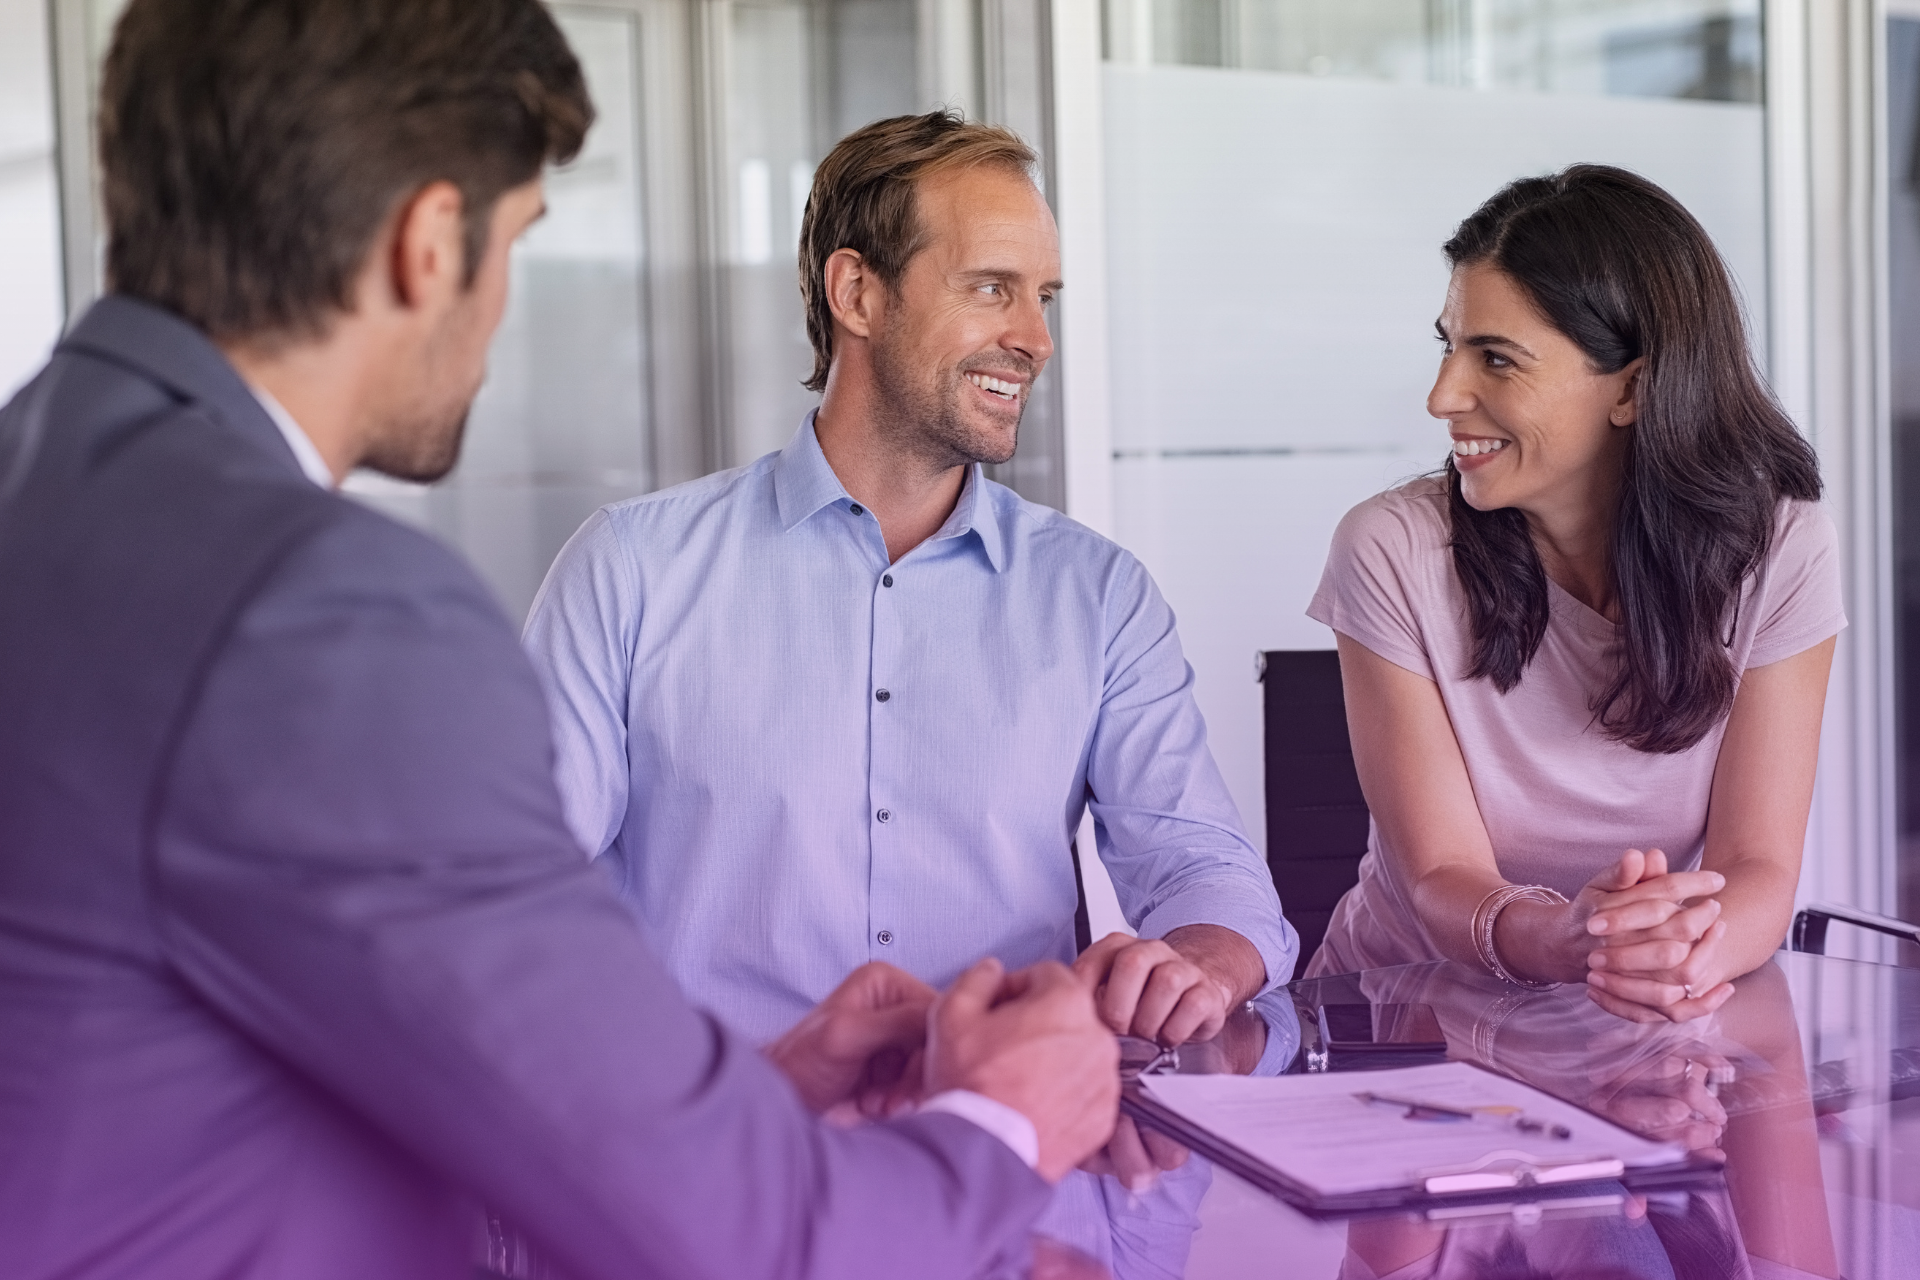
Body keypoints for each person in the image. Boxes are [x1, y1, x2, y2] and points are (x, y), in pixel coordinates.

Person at [0, 3, 1122, 1277]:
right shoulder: (316, 610)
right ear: (431, 243)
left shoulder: (40, 485)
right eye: (515, 240)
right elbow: (744, 1236)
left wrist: (731, 1097)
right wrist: (997, 1120)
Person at [521, 108, 1295, 1260]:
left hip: (1024, 1199)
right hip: (722, 1192)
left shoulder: (1097, 595)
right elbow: (523, 893)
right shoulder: (633, 567)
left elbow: (1210, 870)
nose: (1032, 337)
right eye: (992, 287)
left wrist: (1196, 960)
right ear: (858, 293)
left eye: (1046, 298)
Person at [1306, 165, 1844, 1023]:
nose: (1443, 395)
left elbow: (1757, 869)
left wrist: (1671, 957)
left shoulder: (1779, 551)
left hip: (1638, 1020)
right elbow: (1441, 875)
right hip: (1406, 1026)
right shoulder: (1390, 549)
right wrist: (1568, 940)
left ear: (1631, 387)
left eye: (1496, 358)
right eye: (1448, 344)